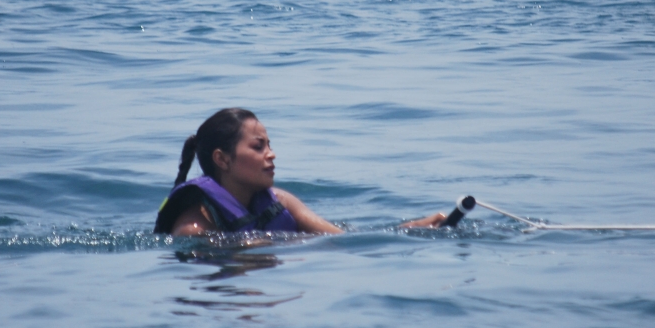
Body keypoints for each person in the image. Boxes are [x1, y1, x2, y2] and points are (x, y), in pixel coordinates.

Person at [154, 108, 446, 235]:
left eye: (269, 145)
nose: (271, 154)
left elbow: (339, 240)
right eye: (258, 147)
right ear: (222, 159)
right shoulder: (194, 228)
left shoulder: (281, 201)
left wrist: (405, 233)